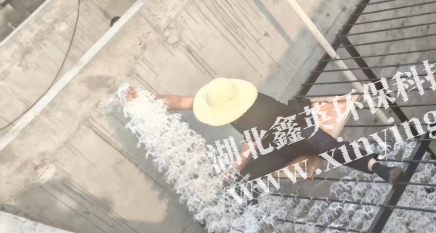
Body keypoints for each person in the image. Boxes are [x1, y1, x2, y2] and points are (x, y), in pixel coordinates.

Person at [127, 78, 402, 184]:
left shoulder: (254, 111)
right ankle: (379, 167)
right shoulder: (240, 99)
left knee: (329, 147)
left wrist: (231, 171)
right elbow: (178, 101)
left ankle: (380, 168)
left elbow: (250, 147)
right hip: (289, 139)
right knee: (336, 149)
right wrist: (144, 98)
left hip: (292, 137)